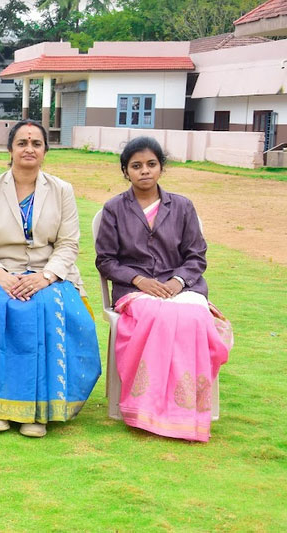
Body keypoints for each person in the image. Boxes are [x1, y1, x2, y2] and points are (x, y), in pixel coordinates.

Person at [0, 119, 101, 438]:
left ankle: (41, 410)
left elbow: (68, 244)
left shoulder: (61, 190)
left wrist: (45, 277)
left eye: (36, 143)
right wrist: (0, 276)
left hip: (49, 273)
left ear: (45, 151)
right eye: (22, 143)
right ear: (10, 149)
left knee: (47, 307)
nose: (29, 148)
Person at [95, 136, 231, 442]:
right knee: (158, 316)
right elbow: (106, 260)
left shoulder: (182, 207)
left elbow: (196, 256)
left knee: (195, 318)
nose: (144, 171)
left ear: (161, 167)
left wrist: (177, 282)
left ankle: (186, 410)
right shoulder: (114, 208)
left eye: (151, 164)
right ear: (125, 171)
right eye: (136, 166)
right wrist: (139, 280)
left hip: (180, 286)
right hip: (135, 290)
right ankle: (147, 409)